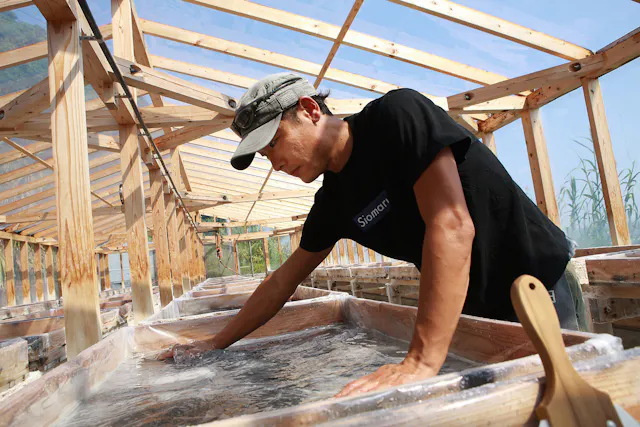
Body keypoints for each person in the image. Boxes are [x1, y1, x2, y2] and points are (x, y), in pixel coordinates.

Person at [163, 72, 583, 397]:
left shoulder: (397, 117)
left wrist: (419, 360)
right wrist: (216, 344)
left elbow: (452, 225)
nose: (273, 163)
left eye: (273, 142)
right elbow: (282, 282)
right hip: (476, 316)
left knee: (570, 402)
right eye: (264, 155)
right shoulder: (334, 202)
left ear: (310, 110)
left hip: (539, 288)